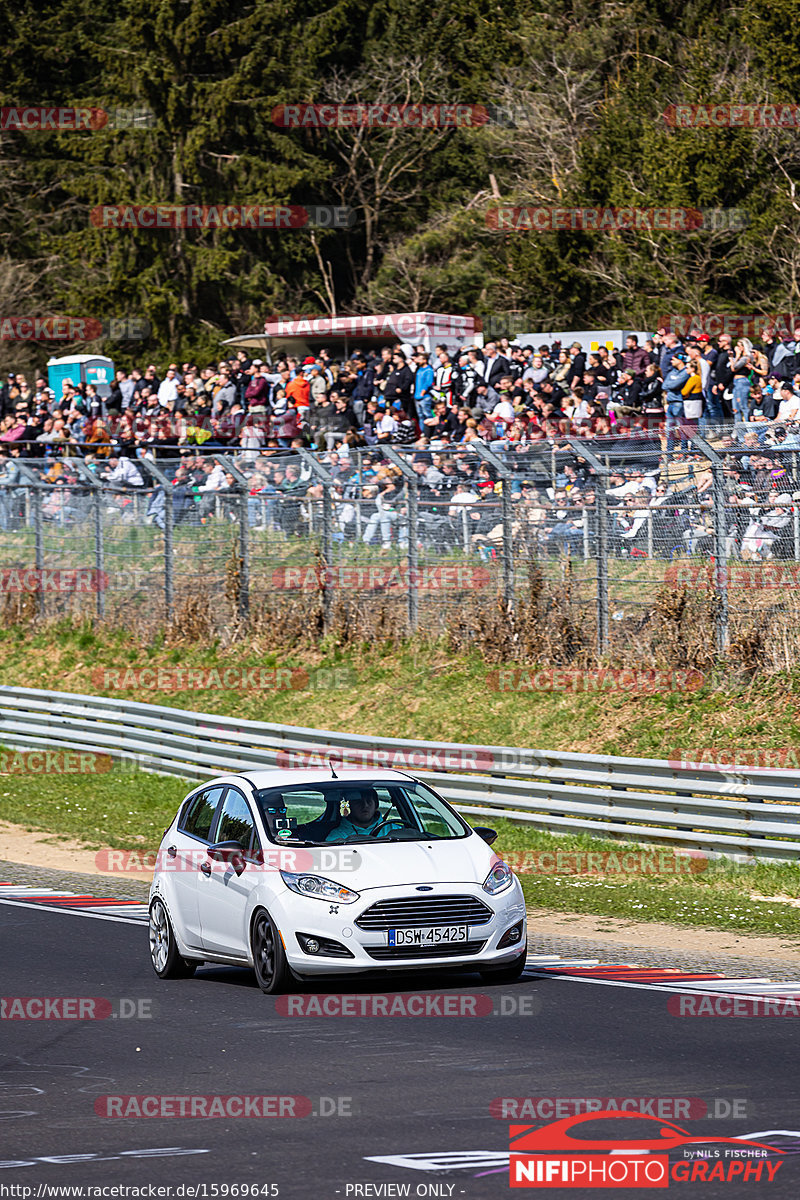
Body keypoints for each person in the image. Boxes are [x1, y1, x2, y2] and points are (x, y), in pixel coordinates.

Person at [324, 788, 400, 841]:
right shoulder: (337, 836)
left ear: (376, 805)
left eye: (369, 801)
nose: (365, 805)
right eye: (358, 802)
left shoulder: (394, 829)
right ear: (350, 806)